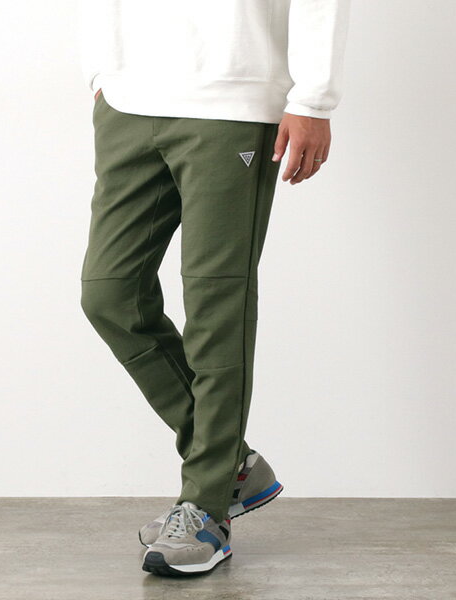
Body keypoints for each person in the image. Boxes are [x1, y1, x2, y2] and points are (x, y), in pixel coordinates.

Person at [77, 0, 351, 577]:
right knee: (109, 293)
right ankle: (232, 466)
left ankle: (206, 507)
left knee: (215, 304)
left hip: (232, 99)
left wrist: (312, 100)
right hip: (129, 101)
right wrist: (102, 72)